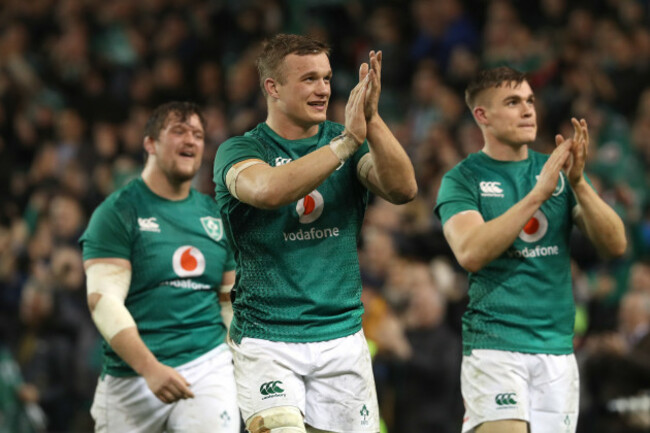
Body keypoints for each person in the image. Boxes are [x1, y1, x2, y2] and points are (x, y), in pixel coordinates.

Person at [213, 34, 417, 433]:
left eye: (326, 78)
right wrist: (346, 143)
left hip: (342, 336)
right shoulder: (239, 151)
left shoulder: (350, 141)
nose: (323, 89)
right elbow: (269, 190)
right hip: (267, 337)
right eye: (308, 79)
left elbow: (403, 188)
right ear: (272, 87)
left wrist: (371, 120)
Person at [434, 66, 627, 433]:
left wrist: (579, 185)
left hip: (557, 349)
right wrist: (538, 194)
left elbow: (615, 244)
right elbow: (471, 252)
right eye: (512, 102)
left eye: (529, 101)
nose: (527, 110)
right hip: (495, 345)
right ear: (482, 116)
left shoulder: (558, 171)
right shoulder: (462, 178)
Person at [79, 101, 241, 433]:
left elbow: (229, 300)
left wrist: (238, 360)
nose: (191, 140)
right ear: (150, 143)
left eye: (197, 134)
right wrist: (150, 368)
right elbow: (103, 302)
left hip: (207, 364)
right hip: (133, 375)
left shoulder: (214, 216)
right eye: (178, 131)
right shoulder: (118, 212)